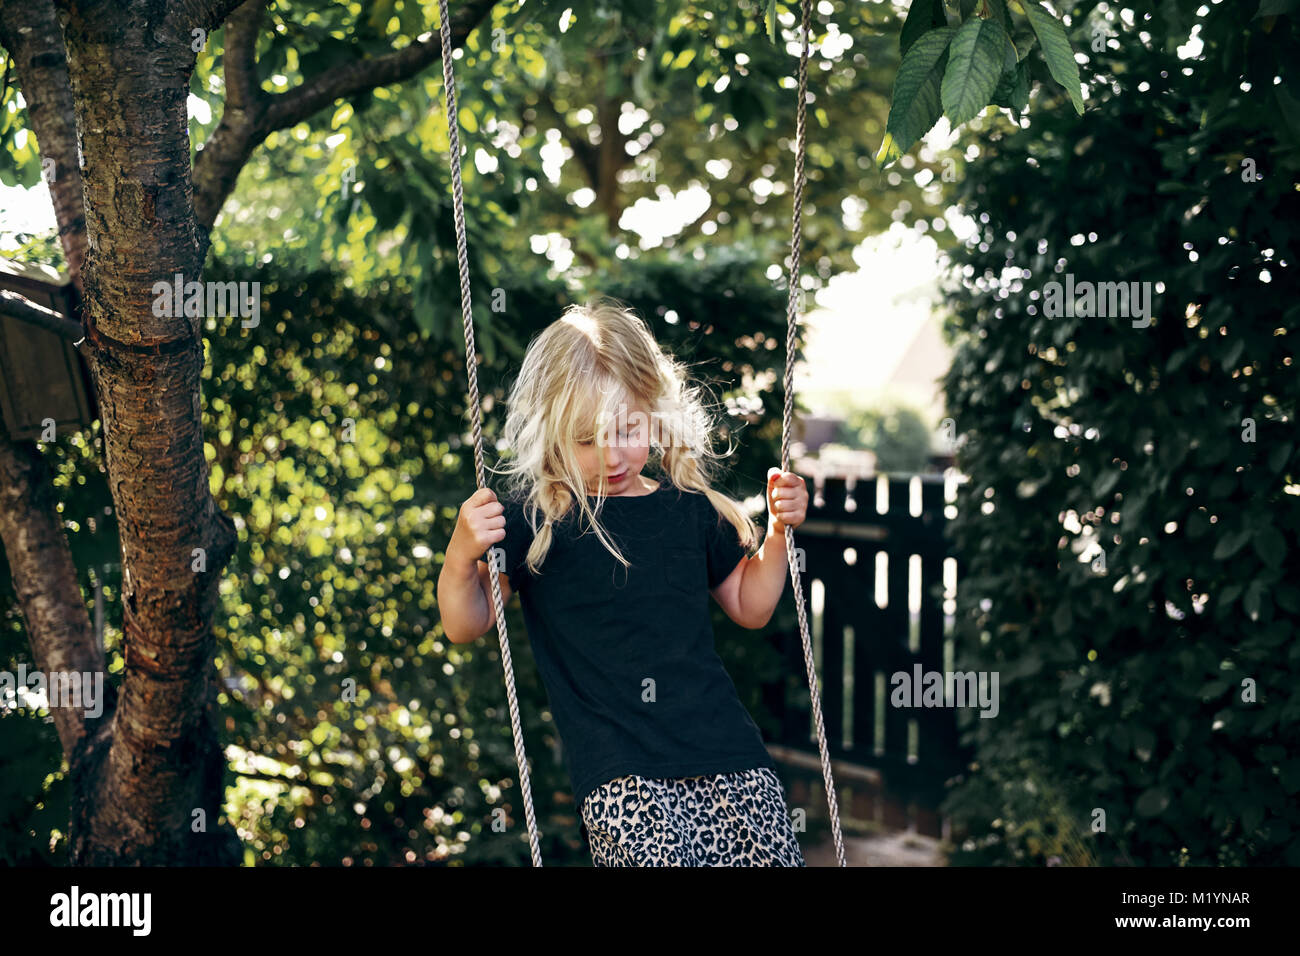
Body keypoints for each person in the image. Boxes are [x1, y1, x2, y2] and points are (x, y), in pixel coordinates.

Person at [437, 299, 809, 866]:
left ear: (653, 415)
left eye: (626, 430)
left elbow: (749, 605)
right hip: (622, 775)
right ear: (553, 429)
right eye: (586, 439)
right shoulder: (538, 521)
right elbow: (466, 624)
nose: (610, 455)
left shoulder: (688, 512)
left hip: (729, 754)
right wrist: (461, 555)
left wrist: (779, 533)